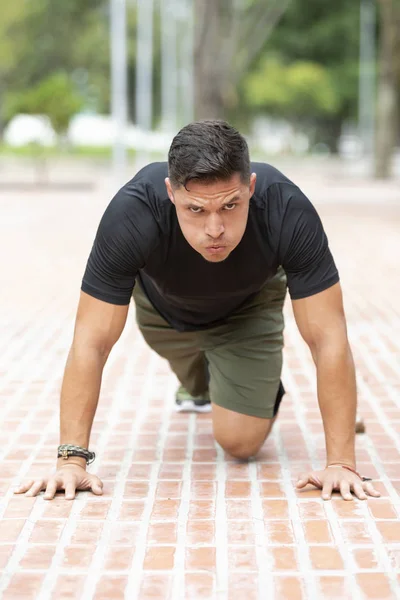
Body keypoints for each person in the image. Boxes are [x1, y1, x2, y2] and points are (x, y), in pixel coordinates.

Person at [14, 120, 380, 503]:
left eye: (230, 205)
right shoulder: (133, 213)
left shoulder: (286, 208)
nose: (215, 227)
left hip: (246, 311)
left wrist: (341, 461)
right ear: (171, 193)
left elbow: (328, 337)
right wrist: (71, 461)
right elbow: (92, 341)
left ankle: (250, 381)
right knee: (199, 375)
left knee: (239, 442)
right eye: (195, 209)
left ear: (251, 187)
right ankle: (207, 380)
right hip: (164, 316)